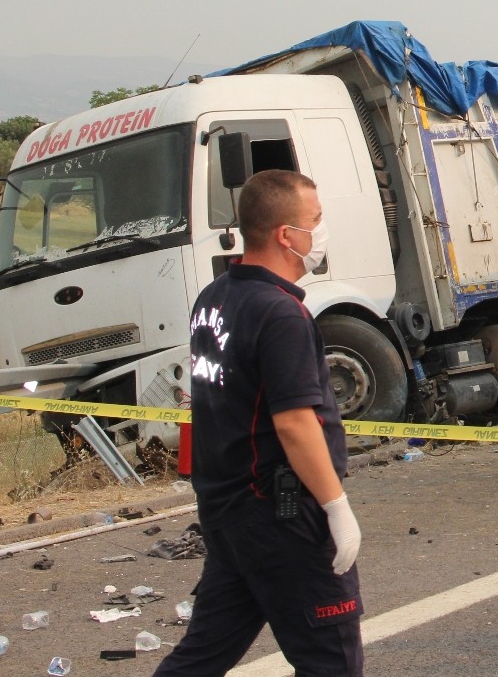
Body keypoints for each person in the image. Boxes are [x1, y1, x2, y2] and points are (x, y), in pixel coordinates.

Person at [155, 169, 364, 676]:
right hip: (281, 516)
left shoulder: (215, 299)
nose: (321, 231)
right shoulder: (281, 315)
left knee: (203, 656)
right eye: (314, 221)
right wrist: (335, 506)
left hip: (228, 512)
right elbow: (294, 423)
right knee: (331, 661)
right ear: (285, 235)